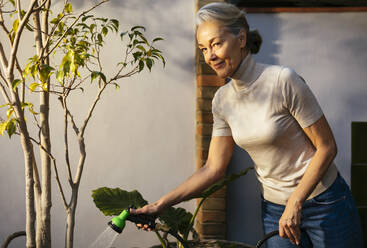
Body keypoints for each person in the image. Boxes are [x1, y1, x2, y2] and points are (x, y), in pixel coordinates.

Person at [131, 2, 364, 247]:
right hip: (275, 211)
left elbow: (326, 147)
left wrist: (295, 201)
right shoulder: (222, 100)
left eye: (216, 44)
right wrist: (159, 205)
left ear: (241, 38)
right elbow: (213, 168)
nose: (210, 55)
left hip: (325, 204)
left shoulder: (283, 80)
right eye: (203, 48)